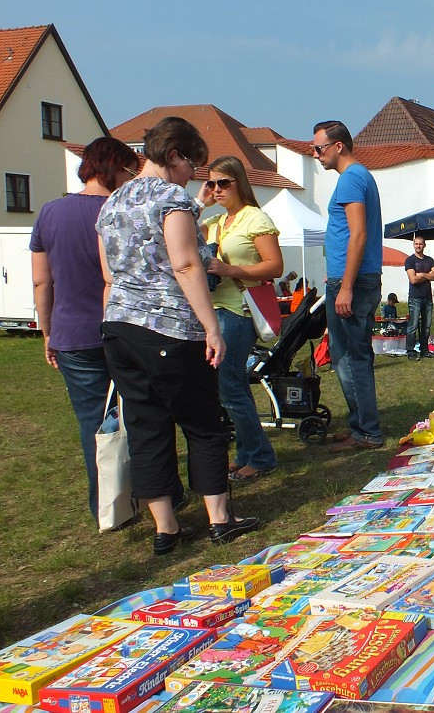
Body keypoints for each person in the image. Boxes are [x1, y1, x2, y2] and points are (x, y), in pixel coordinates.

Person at [97, 116, 258, 554]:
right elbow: (186, 264)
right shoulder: (171, 199)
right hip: (168, 327)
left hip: (119, 327)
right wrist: (211, 328)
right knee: (203, 423)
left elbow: (109, 272)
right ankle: (220, 518)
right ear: (174, 156)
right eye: (192, 165)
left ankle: (165, 527)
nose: (195, 176)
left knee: (146, 425)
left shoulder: (113, 202)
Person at [31, 137, 188, 524]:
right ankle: (164, 498)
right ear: (115, 167)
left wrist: (47, 331)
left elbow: (41, 282)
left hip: (72, 333)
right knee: (145, 415)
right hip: (128, 325)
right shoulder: (121, 208)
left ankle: (109, 505)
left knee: (94, 425)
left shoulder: (50, 212)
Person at [199, 156, 283, 483]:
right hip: (217, 311)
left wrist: (230, 270)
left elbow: (274, 266)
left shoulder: (254, 218)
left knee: (229, 387)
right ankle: (248, 454)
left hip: (240, 311)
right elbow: (179, 234)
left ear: (239, 183)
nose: (217, 189)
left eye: (223, 183)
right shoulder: (216, 222)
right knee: (232, 388)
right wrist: (201, 204)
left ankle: (260, 456)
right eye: (211, 183)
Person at [312, 120, 384, 453]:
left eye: (319, 148)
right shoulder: (359, 177)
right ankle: (360, 424)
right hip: (354, 278)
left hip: (351, 281)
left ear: (338, 146)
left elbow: (358, 234)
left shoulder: (352, 179)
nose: (316, 155)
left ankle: (367, 432)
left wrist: (346, 287)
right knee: (349, 355)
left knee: (351, 357)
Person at [404, 236, 434, 360]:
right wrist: (429, 275)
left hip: (427, 298)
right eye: (416, 244)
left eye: (420, 244)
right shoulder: (410, 260)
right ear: (414, 245)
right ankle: (411, 352)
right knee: (413, 326)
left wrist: (422, 274)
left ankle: (424, 350)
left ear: (424, 245)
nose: (418, 246)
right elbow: (413, 279)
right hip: (415, 298)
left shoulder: (430, 260)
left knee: (426, 326)